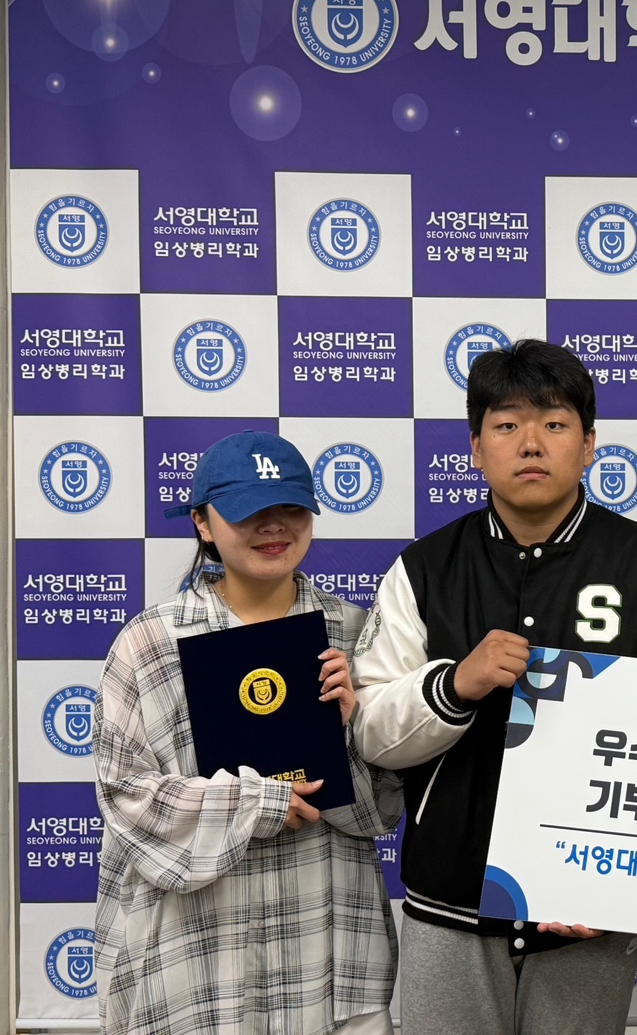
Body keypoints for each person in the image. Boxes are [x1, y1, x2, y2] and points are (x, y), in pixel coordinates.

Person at [349, 339, 637, 1035]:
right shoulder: (424, 568)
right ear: (475, 448)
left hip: (589, 909)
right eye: (506, 425)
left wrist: (625, 886)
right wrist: (454, 686)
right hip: (450, 904)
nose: (531, 443)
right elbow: (371, 730)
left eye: (554, 423)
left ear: (589, 446)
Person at [93, 430, 399, 1035]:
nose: (273, 526)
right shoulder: (149, 644)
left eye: (290, 507)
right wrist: (257, 803)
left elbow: (385, 810)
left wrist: (349, 729)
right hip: (197, 957)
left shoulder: (355, 632)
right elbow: (128, 798)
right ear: (203, 523)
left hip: (329, 950)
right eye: (249, 511)